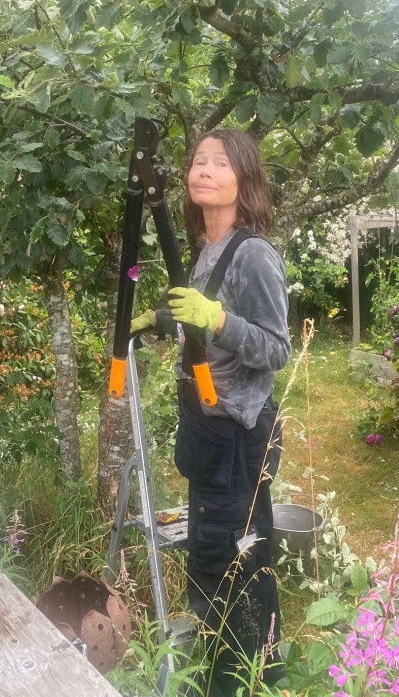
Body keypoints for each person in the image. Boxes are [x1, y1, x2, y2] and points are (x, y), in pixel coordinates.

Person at [132, 128, 291, 695]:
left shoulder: (254, 254)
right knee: (212, 555)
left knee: (234, 561)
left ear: (244, 179)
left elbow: (276, 348)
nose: (204, 169)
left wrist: (217, 318)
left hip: (236, 435)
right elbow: (201, 325)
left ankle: (245, 680)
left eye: (220, 162)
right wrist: (163, 320)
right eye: (198, 160)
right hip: (207, 431)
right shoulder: (208, 250)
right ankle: (231, 670)